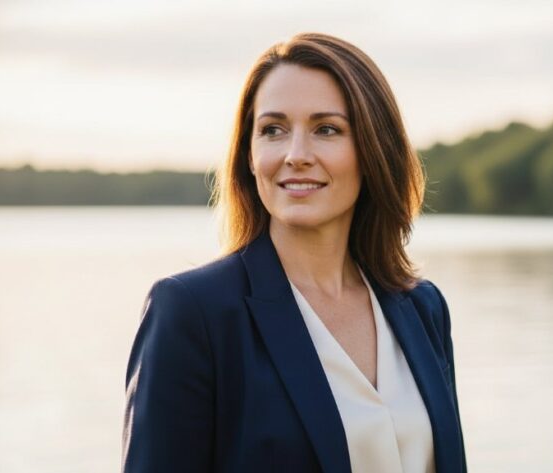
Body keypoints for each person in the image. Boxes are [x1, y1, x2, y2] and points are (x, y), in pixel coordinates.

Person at [122, 32, 466, 473]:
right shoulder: (193, 314)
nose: (296, 155)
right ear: (249, 155)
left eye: (326, 129)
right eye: (273, 130)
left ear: (374, 149)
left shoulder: (422, 308)